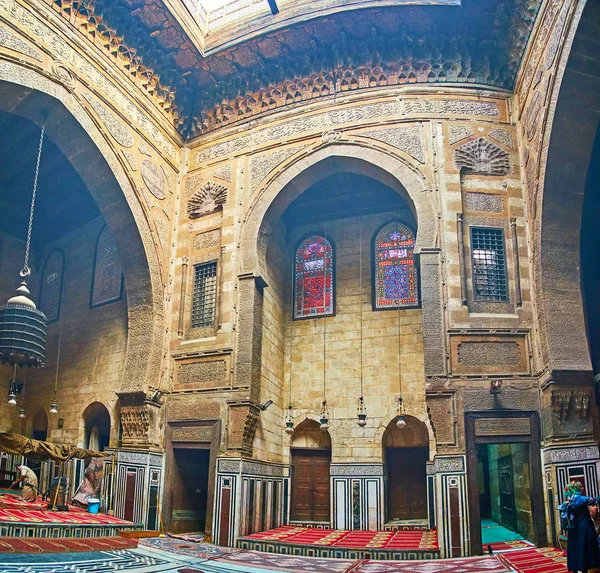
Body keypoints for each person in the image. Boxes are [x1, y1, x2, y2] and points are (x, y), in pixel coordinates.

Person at [564, 481, 600, 573]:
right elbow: (595, 500)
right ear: (578, 488)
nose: (583, 488)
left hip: (573, 529)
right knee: (585, 548)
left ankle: (575, 568)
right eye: (581, 487)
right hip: (584, 528)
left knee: (575, 548)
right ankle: (584, 568)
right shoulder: (582, 499)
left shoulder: (569, 499)